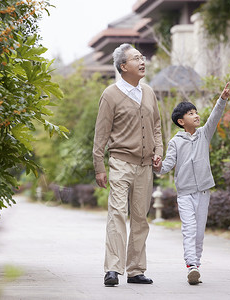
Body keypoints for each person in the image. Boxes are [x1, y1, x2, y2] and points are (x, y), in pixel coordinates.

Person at [93, 43, 163, 287]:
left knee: (140, 218)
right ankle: (112, 268)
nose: (142, 61)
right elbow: (101, 134)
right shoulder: (110, 94)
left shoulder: (149, 92)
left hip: (145, 166)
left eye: (142, 57)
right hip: (121, 162)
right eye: (136, 58)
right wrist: (99, 167)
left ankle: (135, 270)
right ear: (123, 66)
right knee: (117, 214)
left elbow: (157, 125)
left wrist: (159, 152)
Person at [153, 82, 230, 285]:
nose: (196, 115)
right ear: (181, 121)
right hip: (185, 194)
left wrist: (222, 99)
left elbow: (215, 117)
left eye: (196, 112)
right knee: (189, 229)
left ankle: (196, 264)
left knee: (199, 232)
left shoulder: (205, 134)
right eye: (191, 113)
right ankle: (191, 266)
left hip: (204, 192)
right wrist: (156, 166)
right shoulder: (175, 142)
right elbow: (166, 165)